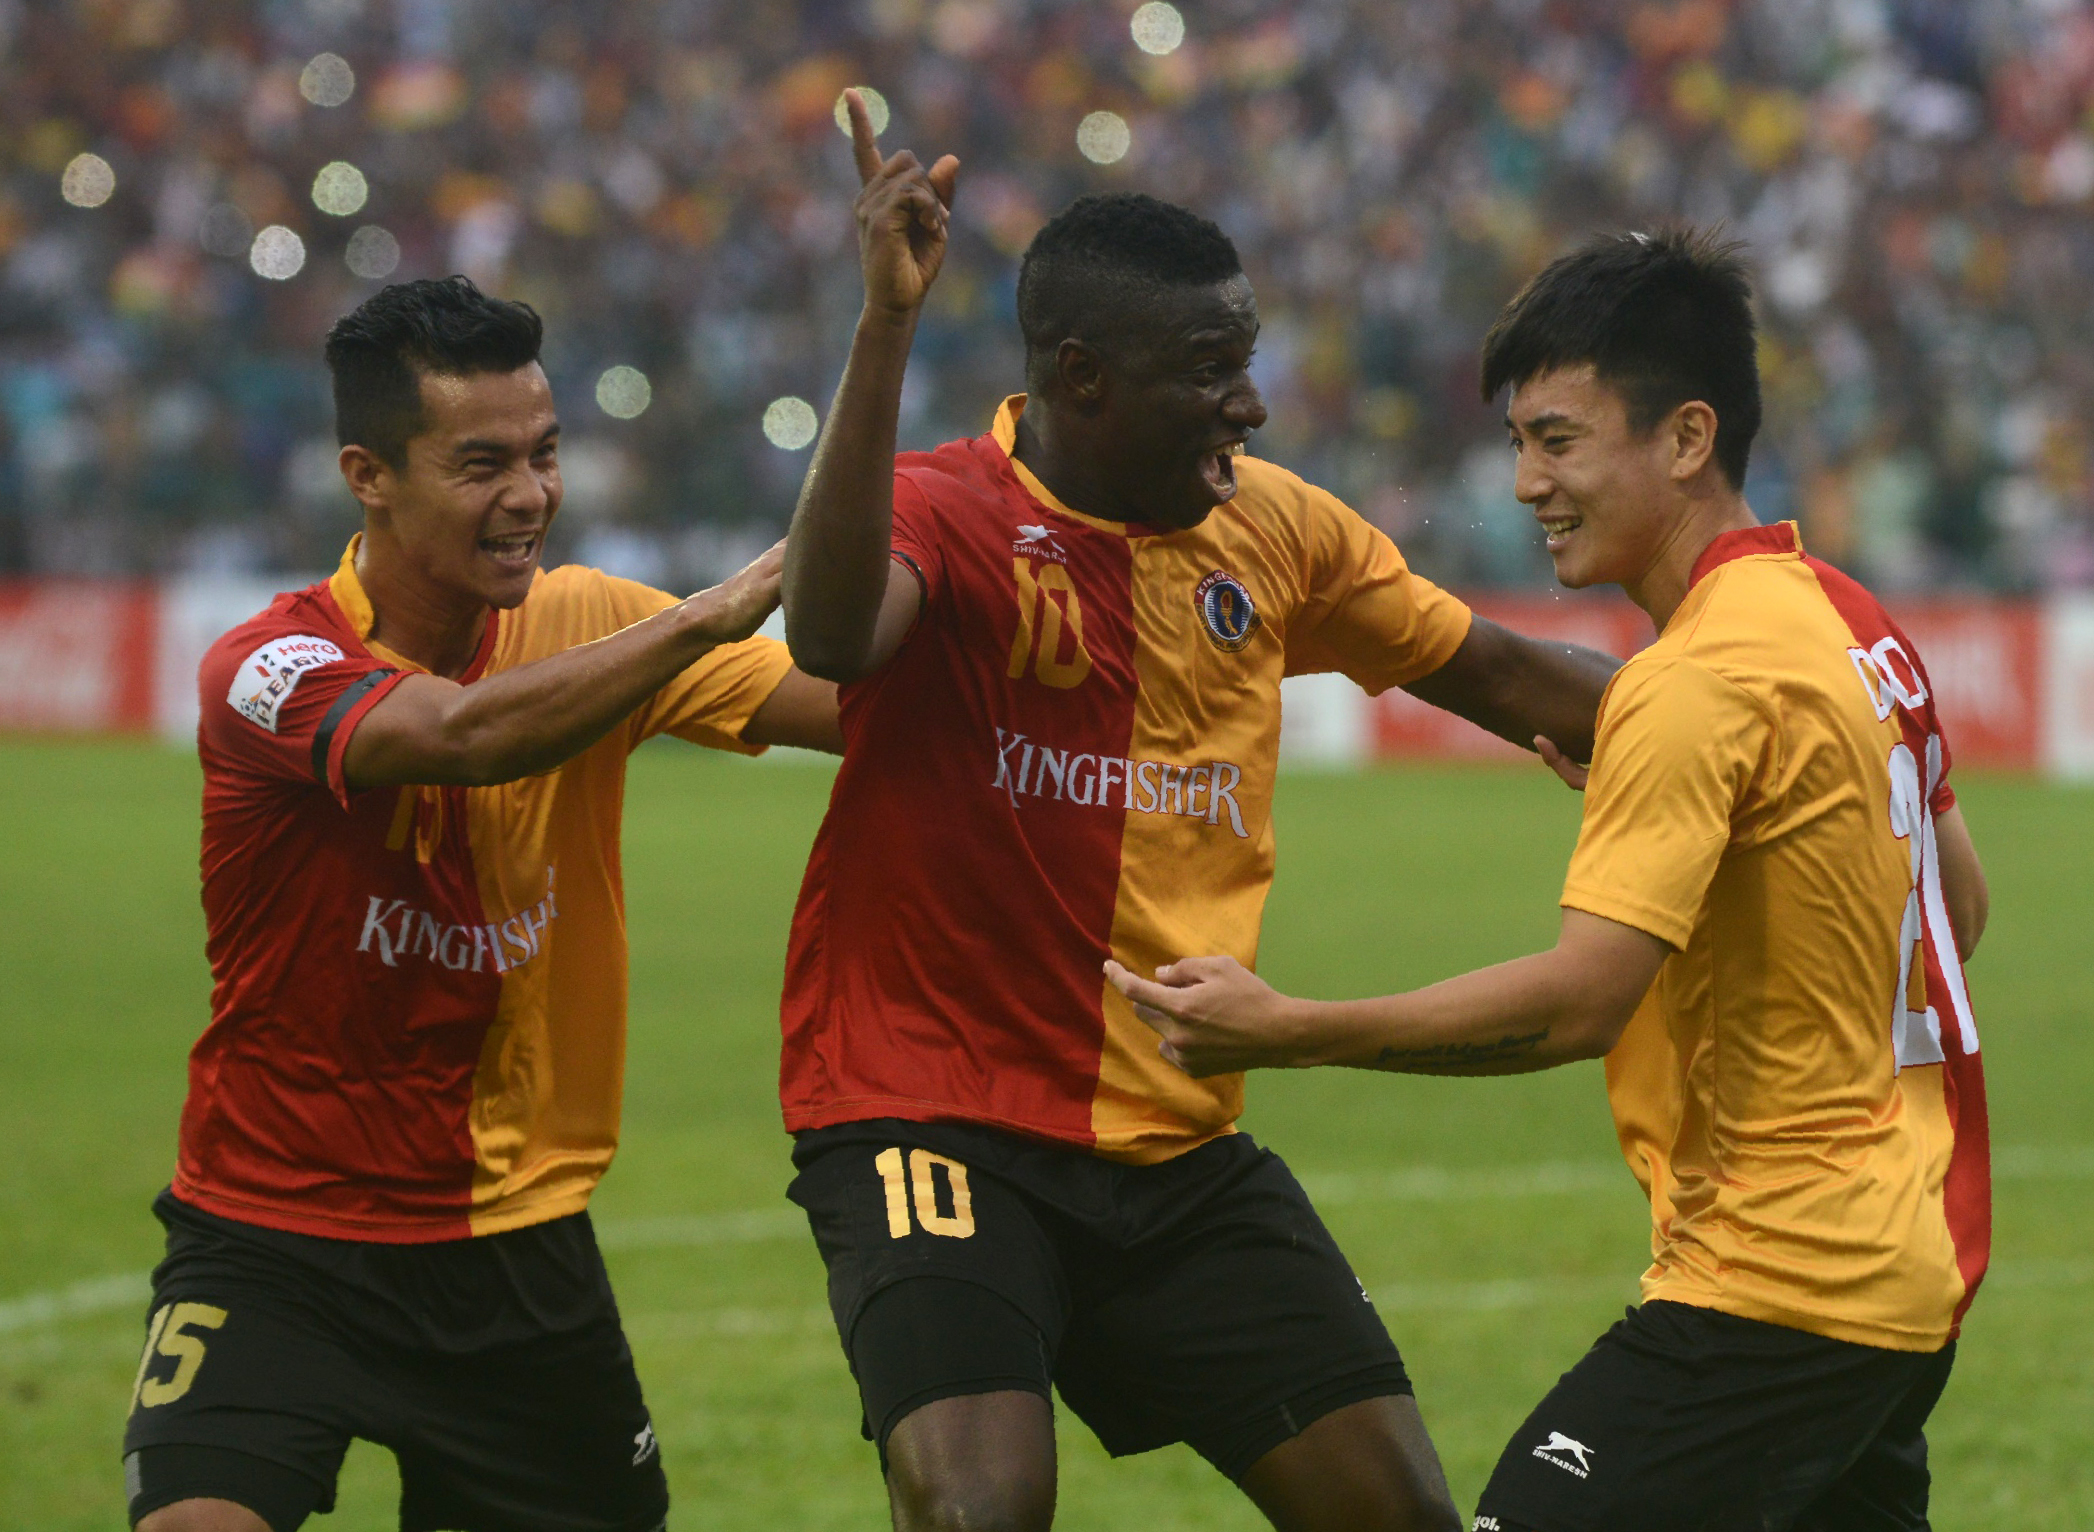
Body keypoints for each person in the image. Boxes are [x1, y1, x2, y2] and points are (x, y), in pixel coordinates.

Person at [772, 94, 1620, 1532]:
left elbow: (1495, 671)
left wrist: (1771, 718)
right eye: (1212, 370)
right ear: (1082, 380)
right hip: (931, 1110)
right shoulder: (944, 513)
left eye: (1248, 363)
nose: (1251, 403)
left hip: (1172, 1142)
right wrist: (883, 328)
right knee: (977, 1511)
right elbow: (833, 636)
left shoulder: (1277, 529)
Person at [1108, 229, 1991, 1532]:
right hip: (1897, 1268)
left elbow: (1576, 1005)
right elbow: (1949, 911)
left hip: (1777, 1286)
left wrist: (1289, 1031)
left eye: (1559, 441)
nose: (1525, 483)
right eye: (1518, 442)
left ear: (1686, 439)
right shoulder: (1844, 618)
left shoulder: (1697, 683)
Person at [122, 276, 841, 1532]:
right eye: (482, 463)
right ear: (370, 473)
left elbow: (856, 714)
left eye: (545, 453)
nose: (530, 495)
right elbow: (457, 736)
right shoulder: (267, 665)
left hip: (516, 1246)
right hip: (273, 1233)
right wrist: (703, 618)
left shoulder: (594, 620)